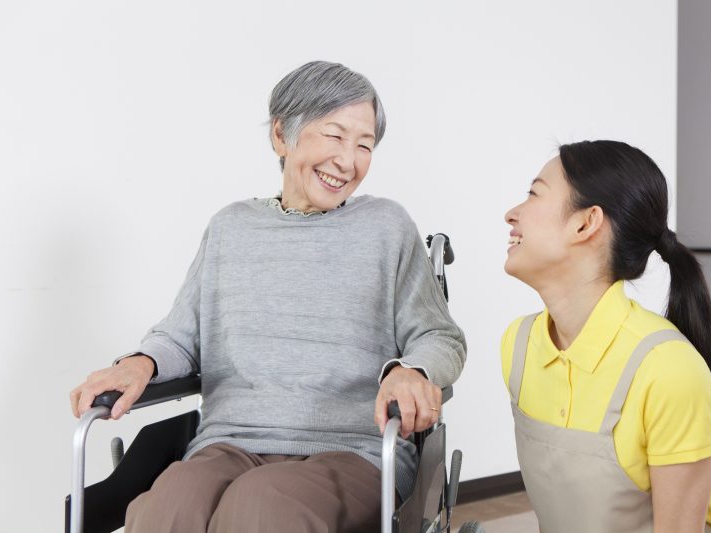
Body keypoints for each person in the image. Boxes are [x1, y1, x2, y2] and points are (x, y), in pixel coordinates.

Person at [69, 61, 466, 532]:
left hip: (352, 450)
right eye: (335, 136)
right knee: (164, 507)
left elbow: (439, 336)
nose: (348, 160)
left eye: (365, 145)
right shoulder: (231, 227)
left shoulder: (386, 227)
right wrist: (140, 362)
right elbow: (180, 337)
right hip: (228, 443)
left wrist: (411, 369)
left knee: (261, 506)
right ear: (281, 135)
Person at [501, 140, 711, 533]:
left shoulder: (668, 371)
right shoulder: (519, 345)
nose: (511, 214)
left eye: (533, 194)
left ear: (585, 223)